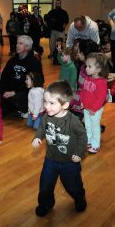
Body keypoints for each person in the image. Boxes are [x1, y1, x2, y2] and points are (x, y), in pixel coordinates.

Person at [32, 80, 87, 217]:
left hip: (70, 162)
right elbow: (42, 128)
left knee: (73, 186)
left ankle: (79, 198)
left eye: (51, 103)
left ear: (65, 105)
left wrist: (79, 153)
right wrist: (38, 137)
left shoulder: (73, 121)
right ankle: (46, 204)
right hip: (50, 160)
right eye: (45, 102)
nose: (46, 106)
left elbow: (83, 137)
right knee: (45, 186)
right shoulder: (46, 117)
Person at [0, 35, 44, 117]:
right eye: (17, 43)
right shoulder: (12, 60)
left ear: (27, 47)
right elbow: (4, 78)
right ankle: (13, 107)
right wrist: (1, 91)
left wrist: (14, 92)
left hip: (24, 92)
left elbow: (38, 81)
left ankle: (26, 109)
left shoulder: (34, 62)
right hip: (10, 90)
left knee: (17, 99)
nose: (17, 45)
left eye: (20, 44)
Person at [80, 53, 109, 153]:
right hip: (87, 108)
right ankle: (88, 141)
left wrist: (94, 109)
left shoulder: (101, 82)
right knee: (87, 125)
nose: (86, 68)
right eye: (86, 66)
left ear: (98, 69)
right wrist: (82, 102)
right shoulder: (88, 78)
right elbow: (83, 91)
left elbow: (101, 98)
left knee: (95, 127)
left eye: (89, 66)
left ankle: (95, 144)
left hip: (95, 110)